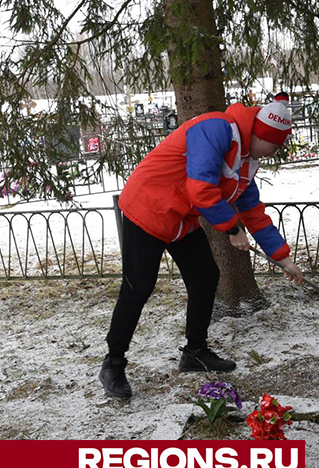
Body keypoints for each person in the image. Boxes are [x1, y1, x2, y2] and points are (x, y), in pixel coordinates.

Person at [99, 94, 304, 398]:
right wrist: (231, 229)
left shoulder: (247, 160)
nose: (277, 152)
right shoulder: (215, 129)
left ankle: (195, 351)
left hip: (180, 218)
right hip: (148, 208)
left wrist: (283, 259)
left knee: (205, 275)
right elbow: (201, 187)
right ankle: (113, 364)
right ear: (260, 134)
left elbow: (253, 211)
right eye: (275, 145)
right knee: (138, 286)